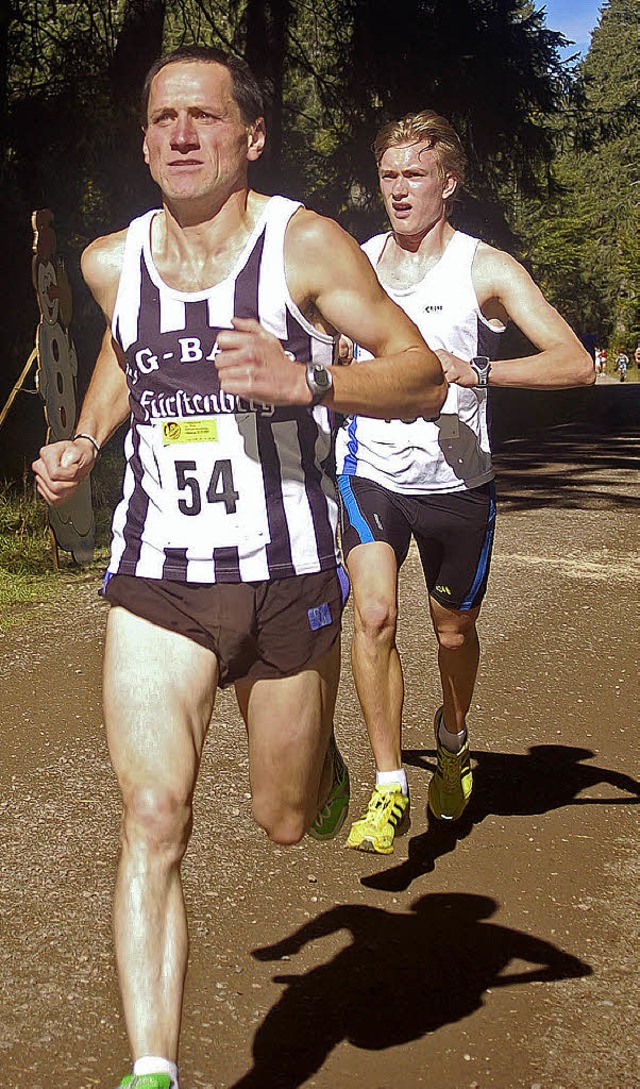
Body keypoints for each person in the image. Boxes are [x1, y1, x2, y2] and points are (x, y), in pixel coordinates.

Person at [32, 47, 445, 1089]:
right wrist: (85, 439)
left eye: (203, 117)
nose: (180, 134)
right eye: (162, 118)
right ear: (143, 139)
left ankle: (319, 769)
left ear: (248, 136)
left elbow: (421, 374)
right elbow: (128, 355)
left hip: (287, 577)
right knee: (153, 816)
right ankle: (153, 1068)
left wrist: (306, 376)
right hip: (158, 576)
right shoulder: (108, 262)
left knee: (283, 822)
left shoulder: (301, 247)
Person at [335, 109, 594, 856]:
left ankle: (452, 741)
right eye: (388, 175)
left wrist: (477, 368)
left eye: (414, 174)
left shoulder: (485, 267)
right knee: (375, 616)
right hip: (371, 471)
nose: (399, 189)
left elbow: (575, 362)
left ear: (448, 182)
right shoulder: (357, 259)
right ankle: (389, 785)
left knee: (454, 632)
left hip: (458, 485)